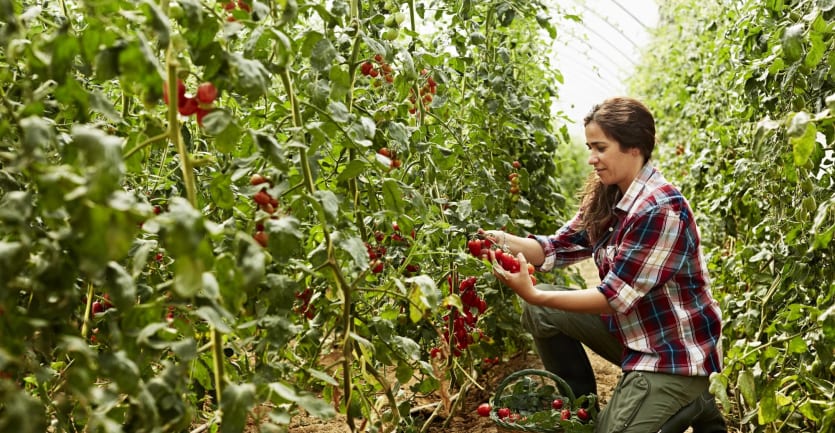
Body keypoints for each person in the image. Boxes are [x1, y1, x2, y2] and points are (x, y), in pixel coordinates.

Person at [483, 97, 727, 433]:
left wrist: (536, 293)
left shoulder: (659, 208)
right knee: (540, 314)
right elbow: (557, 247)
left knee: (541, 304)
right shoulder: (610, 195)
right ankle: (581, 409)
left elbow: (613, 298)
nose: (591, 159)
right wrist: (499, 241)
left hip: (673, 356)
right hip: (635, 334)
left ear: (634, 147)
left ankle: (694, 398)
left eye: (600, 147)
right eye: (589, 147)